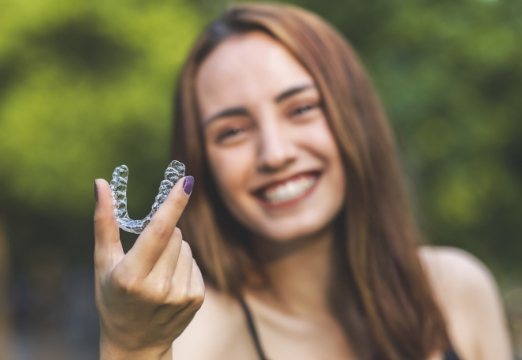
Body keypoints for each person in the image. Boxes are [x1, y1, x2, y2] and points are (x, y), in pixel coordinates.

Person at [93, 3, 512, 359]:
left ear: (356, 116)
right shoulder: (192, 336)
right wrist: (131, 346)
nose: (275, 154)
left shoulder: (455, 290)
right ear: (201, 163)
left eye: (301, 109)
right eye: (233, 132)